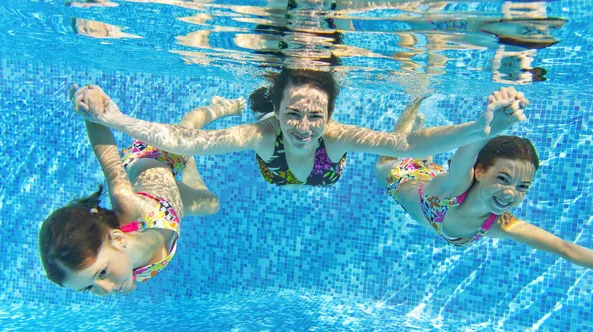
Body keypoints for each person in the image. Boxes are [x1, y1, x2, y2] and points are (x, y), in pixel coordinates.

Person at [70, 68, 527, 188]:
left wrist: (479, 128)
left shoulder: (336, 135)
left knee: (400, 146)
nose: (305, 127)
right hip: (276, 172)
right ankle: (227, 105)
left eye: (315, 116)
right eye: (293, 114)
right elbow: (191, 142)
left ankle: (415, 103)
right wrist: (114, 117)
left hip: (327, 174)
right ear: (277, 109)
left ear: (329, 115)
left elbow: (406, 142)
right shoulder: (264, 132)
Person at [39, 86, 246, 296]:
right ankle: (189, 164)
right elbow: (126, 279)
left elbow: (108, 159)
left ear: (118, 239)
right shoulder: (125, 271)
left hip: (156, 160)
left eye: (101, 274)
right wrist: (127, 284)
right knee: (212, 204)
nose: (106, 289)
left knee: (190, 128)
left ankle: (219, 107)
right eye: (88, 288)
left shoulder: (127, 207)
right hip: (171, 205)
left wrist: (90, 110)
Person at [376, 87, 593, 268]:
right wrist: (487, 127)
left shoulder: (500, 223)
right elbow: (466, 154)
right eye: (503, 179)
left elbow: (564, 248)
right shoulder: (457, 187)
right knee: (390, 156)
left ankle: (421, 133)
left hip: (430, 177)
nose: (511, 193)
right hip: (400, 174)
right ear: (479, 171)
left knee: (425, 157)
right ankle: (415, 98)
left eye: (522, 186)